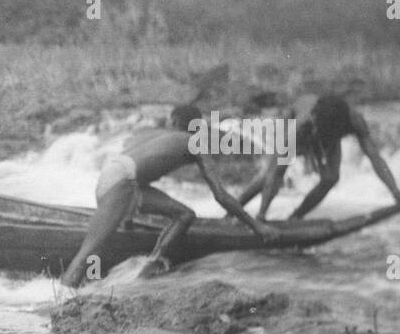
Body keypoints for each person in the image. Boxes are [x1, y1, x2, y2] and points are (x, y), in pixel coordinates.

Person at [60, 104, 279, 288]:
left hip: (113, 177)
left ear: (172, 122)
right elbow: (220, 196)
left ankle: (147, 269)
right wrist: (256, 226)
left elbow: (135, 165)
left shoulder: (150, 133)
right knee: (91, 248)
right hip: (123, 183)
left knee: (185, 214)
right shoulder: (195, 142)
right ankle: (64, 295)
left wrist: (126, 219)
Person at [235, 93, 400, 220]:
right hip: (295, 128)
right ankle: (235, 210)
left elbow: (375, 158)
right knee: (272, 175)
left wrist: (396, 192)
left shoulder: (354, 120)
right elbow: (276, 173)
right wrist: (261, 217)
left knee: (331, 177)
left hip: (323, 132)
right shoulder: (301, 124)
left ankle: (295, 217)